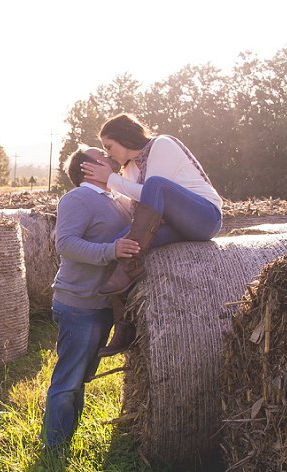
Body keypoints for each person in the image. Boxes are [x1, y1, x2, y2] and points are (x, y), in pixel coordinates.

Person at [82, 113, 223, 356]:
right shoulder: (131, 168)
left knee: (155, 185)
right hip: (170, 225)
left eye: (109, 146)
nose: (108, 153)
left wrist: (111, 178)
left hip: (204, 217)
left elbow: (149, 193)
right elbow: (135, 207)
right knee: (117, 245)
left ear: (123, 137)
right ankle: (124, 328)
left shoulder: (162, 145)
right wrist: (103, 188)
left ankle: (128, 268)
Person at [42, 145, 137, 450]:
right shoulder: (77, 199)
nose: (111, 159)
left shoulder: (117, 198)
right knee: (68, 381)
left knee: (81, 378)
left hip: (103, 305)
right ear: (88, 168)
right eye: (104, 156)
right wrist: (112, 250)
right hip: (79, 303)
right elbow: (65, 243)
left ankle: (65, 441)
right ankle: (53, 452)